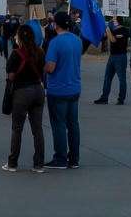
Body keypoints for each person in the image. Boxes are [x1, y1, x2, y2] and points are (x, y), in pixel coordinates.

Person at [3, 24, 46, 173]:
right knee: (37, 129)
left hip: (22, 92)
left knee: (17, 129)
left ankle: (12, 163)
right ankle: (39, 164)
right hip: (38, 91)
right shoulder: (40, 52)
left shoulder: (16, 54)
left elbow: (11, 75)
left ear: (19, 37)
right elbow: (43, 72)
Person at [44, 11, 83, 169]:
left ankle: (60, 157)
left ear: (56, 25)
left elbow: (51, 67)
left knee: (58, 124)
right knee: (73, 124)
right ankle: (74, 158)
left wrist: (44, 68)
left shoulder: (55, 42)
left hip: (58, 89)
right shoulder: (77, 40)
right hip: (74, 86)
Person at [94, 15, 129, 105]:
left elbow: (113, 40)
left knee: (121, 78)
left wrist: (108, 29)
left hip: (120, 57)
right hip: (112, 56)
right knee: (107, 77)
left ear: (117, 22)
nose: (110, 22)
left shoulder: (123, 30)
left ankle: (121, 99)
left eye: (112, 20)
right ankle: (104, 98)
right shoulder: (113, 30)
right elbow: (104, 37)